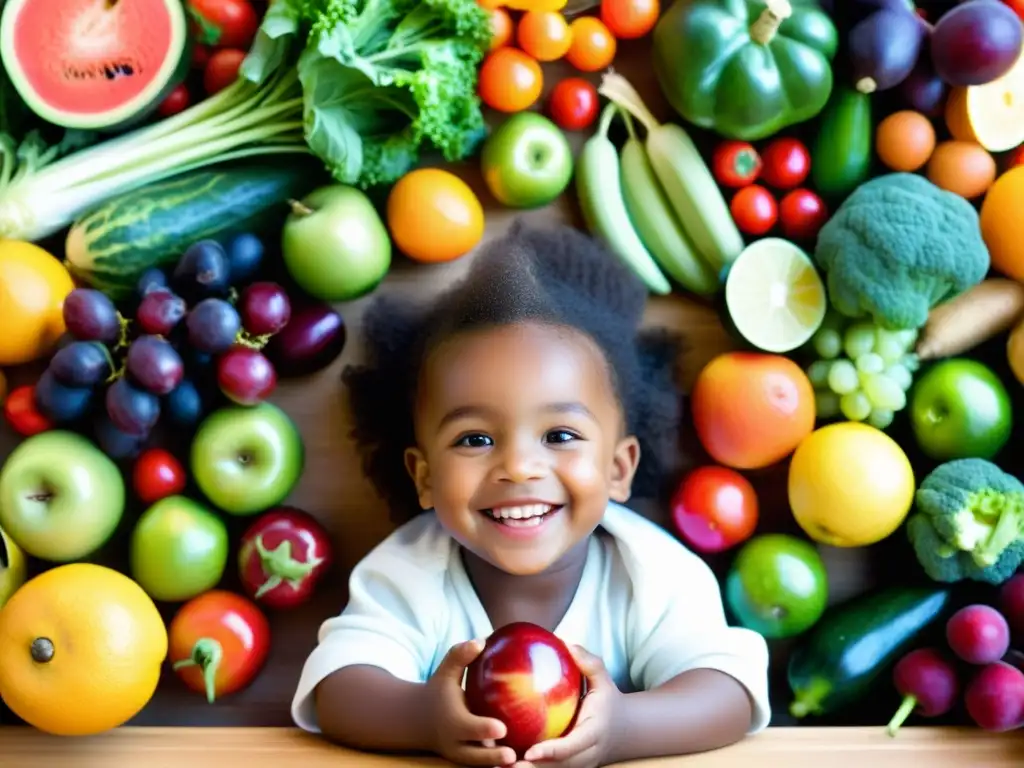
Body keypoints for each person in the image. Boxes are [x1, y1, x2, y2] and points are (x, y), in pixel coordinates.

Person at [291, 222, 771, 767]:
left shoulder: (651, 573)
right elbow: (337, 687)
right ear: (423, 477)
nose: (518, 467)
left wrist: (624, 729)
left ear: (618, 467)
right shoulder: (408, 573)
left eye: (560, 436)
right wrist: (424, 717)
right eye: (475, 439)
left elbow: (729, 690)